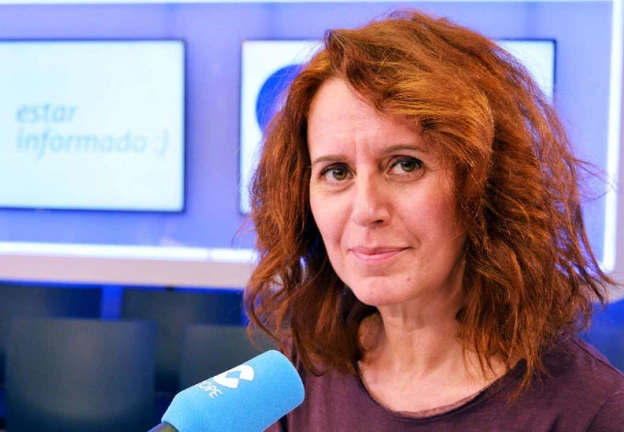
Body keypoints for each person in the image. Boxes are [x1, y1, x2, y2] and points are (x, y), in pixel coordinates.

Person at [244, 10, 624, 431]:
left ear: (487, 184)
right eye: (337, 172)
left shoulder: (594, 411)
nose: (366, 209)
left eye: (405, 165)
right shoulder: (299, 375)